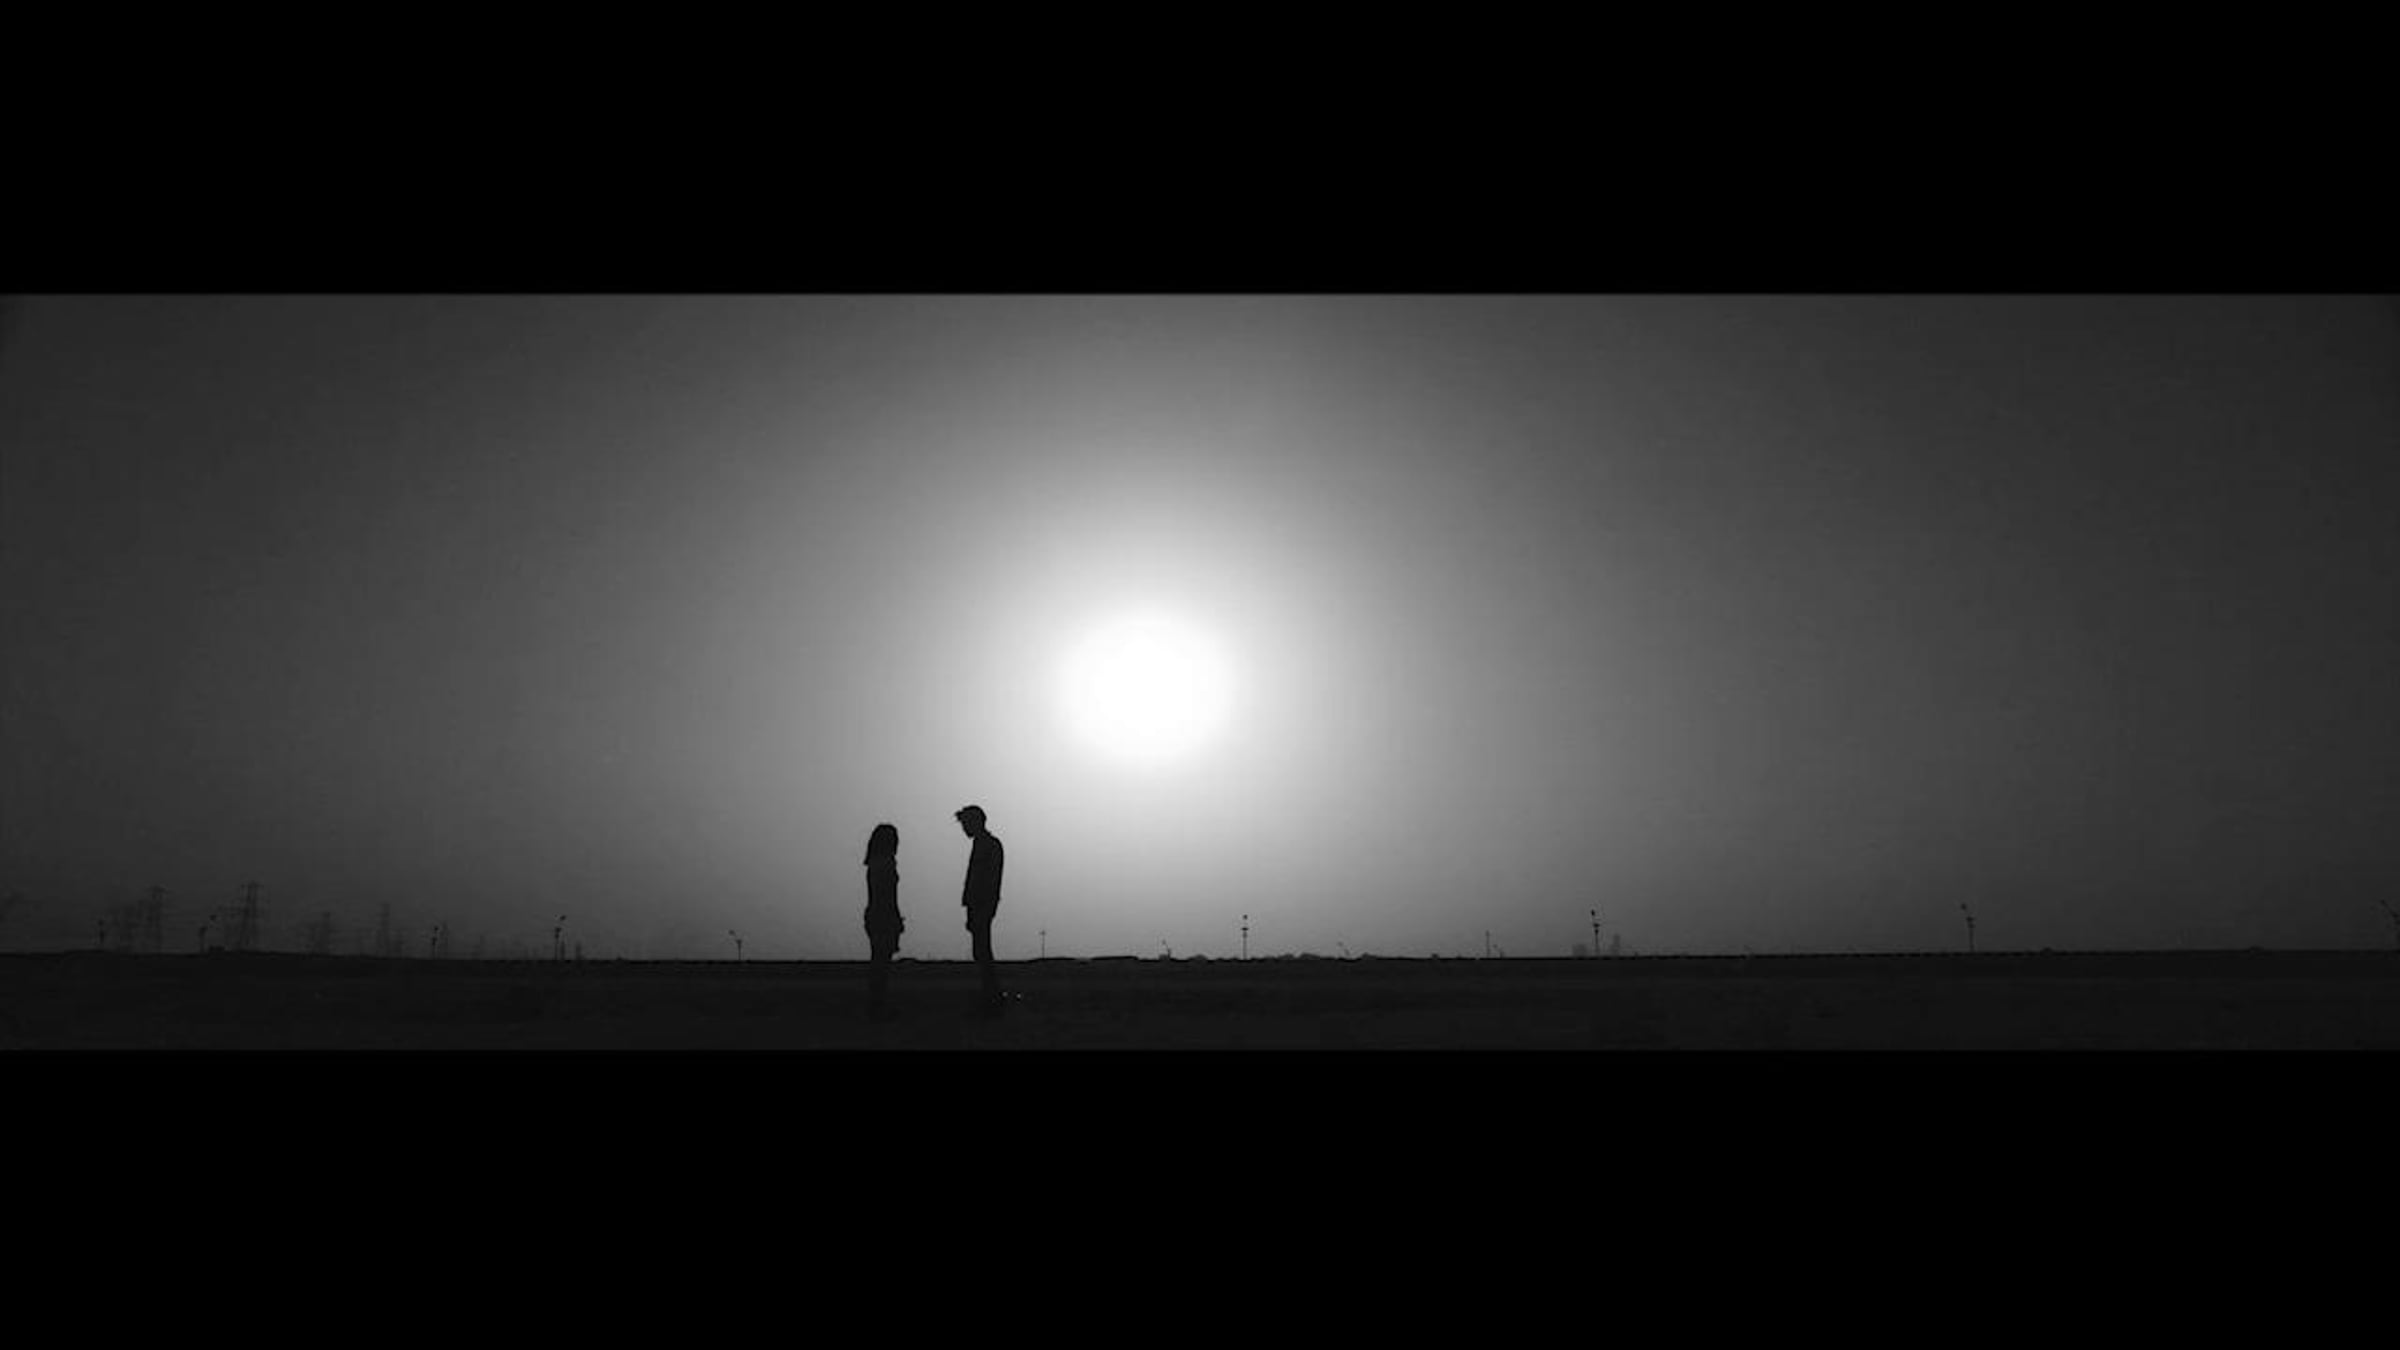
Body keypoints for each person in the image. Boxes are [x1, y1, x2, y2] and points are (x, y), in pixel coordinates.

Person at [955, 804, 1005, 1014]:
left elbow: (990, 880)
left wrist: (985, 906)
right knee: (981, 950)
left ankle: (991, 996)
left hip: (983, 904)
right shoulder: (981, 845)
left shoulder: (990, 846)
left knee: (982, 950)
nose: (964, 828)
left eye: (966, 823)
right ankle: (990, 994)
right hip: (978, 904)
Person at [862, 823, 904, 1020]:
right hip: (883, 915)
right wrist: (895, 917)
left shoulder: (875, 863)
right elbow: (888, 896)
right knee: (881, 963)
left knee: (878, 961)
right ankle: (878, 1006)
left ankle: (877, 1004)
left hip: (875, 914)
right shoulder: (885, 864)